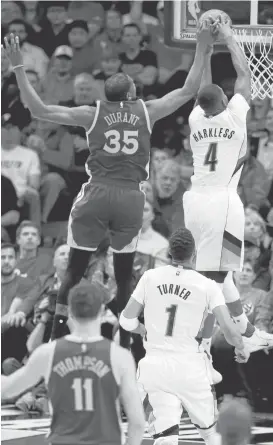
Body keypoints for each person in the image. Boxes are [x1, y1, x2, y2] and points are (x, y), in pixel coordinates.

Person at [2, 22, 215, 345]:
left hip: (96, 192)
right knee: (124, 272)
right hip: (130, 197)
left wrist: (18, 67)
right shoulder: (147, 111)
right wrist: (202, 47)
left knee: (73, 270)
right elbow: (188, 90)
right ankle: (128, 345)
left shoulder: (91, 112)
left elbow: (38, 109)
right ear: (131, 94)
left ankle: (56, 337)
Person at [182, 15, 273, 362]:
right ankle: (211, 342)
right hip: (222, 201)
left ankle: (244, 334)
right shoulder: (235, 116)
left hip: (196, 203)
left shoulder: (195, 119)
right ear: (224, 100)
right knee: (215, 278)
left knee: (221, 274)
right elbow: (245, 74)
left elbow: (202, 85)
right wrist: (230, 37)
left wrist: (203, 46)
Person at [120, 227, 249, 445]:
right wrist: (241, 347)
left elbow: (125, 320)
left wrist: (142, 330)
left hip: (155, 367)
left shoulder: (150, 277)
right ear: (195, 253)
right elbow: (228, 328)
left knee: (166, 437)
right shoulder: (207, 285)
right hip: (191, 368)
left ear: (169, 252)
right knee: (211, 434)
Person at [1, 282, 145, 445]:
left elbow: (6, 390)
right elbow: (138, 423)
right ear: (101, 311)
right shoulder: (120, 356)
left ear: (69, 312)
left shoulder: (48, 352)